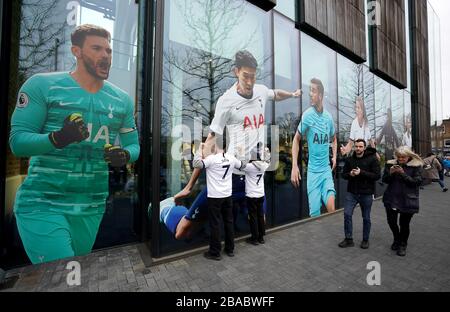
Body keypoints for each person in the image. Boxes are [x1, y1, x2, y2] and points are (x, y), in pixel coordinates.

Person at [9, 24, 140, 264]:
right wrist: (59, 137)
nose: (105, 56)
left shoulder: (122, 100)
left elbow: (134, 146)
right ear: (76, 51)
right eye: (97, 49)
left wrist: (124, 155)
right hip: (43, 204)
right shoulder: (41, 86)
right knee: (65, 276)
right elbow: (18, 142)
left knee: (75, 276)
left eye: (109, 51)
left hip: (91, 206)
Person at [172, 50, 301, 239]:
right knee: (182, 232)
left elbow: (275, 94)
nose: (249, 82)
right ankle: (168, 210)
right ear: (236, 72)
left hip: (253, 176)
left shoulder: (260, 90)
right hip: (229, 176)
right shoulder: (226, 101)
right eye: (245, 76)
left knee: (260, 224)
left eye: (253, 77)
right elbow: (210, 141)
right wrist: (190, 185)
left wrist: (292, 94)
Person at [291, 78, 337, 217]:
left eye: (313, 91)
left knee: (331, 209)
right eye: (310, 91)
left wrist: (334, 156)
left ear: (321, 96)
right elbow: (296, 140)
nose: (310, 94)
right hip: (313, 173)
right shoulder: (307, 115)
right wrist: (294, 166)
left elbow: (334, 139)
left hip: (325, 171)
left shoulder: (328, 118)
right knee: (315, 216)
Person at [193, 141, 245, 260]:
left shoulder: (212, 159)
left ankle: (215, 252)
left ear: (215, 146)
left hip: (215, 197)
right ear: (226, 146)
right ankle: (230, 249)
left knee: (215, 224)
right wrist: (240, 153)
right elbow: (242, 165)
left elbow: (196, 163)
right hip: (227, 195)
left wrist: (199, 150)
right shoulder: (231, 158)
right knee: (229, 222)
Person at [339, 139, 380, 249]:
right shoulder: (350, 159)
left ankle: (365, 240)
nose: (358, 148)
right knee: (347, 214)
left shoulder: (372, 159)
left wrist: (361, 172)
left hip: (366, 193)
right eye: (356, 146)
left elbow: (377, 175)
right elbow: (343, 175)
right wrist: (350, 174)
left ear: (364, 148)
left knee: (366, 217)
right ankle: (348, 239)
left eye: (360, 146)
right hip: (352, 192)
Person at [382, 146, 423, 257]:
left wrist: (403, 173)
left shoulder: (416, 166)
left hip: (408, 199)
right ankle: (397, 239)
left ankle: (402, 244)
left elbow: (417, 182)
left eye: (403, 157)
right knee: (391, 222)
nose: (400, 159)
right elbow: (384, 180)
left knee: (404, 224)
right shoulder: (390, 164)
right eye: (399, 157)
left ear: (409, 156)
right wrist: (390, 173)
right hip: (391, 197)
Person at [241, 144, 270, 245]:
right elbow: (268, 159)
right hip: (261, 194)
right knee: (260, 215)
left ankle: (254, 238)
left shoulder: (249, 167)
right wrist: (266, 150)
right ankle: (261, 237)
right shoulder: (264, 166)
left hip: (251, 195)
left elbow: (238, 165)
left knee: (253, 217)